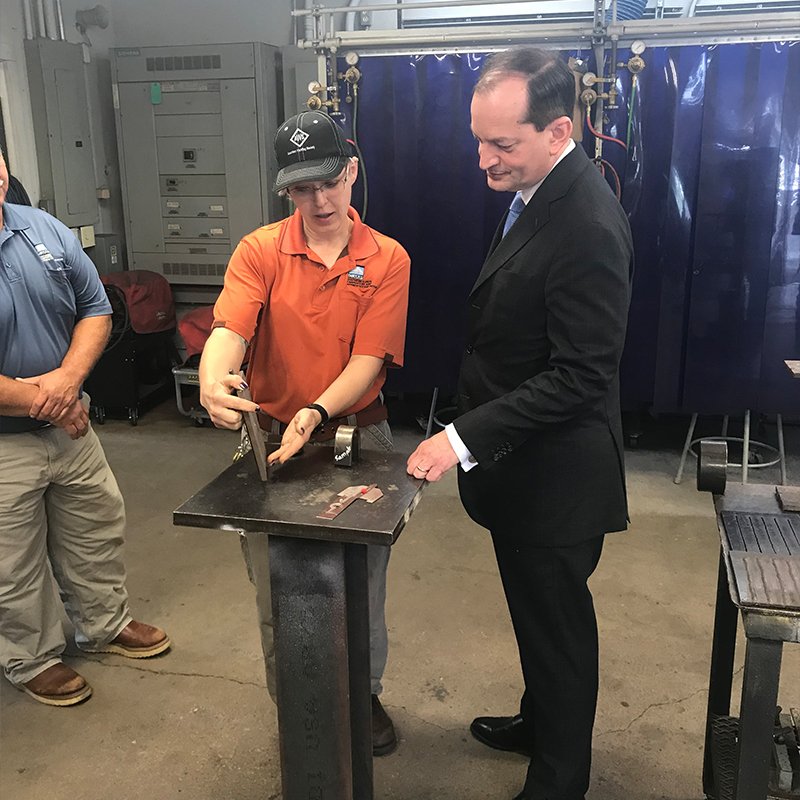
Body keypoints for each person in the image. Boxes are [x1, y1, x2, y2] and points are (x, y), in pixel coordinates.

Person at [407, 48, 633, 800]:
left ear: (559, 129)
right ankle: (540, 723)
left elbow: (580, 377)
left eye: (503, 144)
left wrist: (461, 437)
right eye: (478, 140)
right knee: (537, 619)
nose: (485, 159)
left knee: (559, 632)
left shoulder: (586, 223)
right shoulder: (541, 191)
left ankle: (560, 780)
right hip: (522, 470)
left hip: (557, 478)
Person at [199, 110, 410, 756]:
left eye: (327, 182)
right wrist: (213, 378)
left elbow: (367, 363)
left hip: (356, 436)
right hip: (272, 440)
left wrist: (315, 413)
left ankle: (363, 692)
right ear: (285, 189)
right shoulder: (260, 250)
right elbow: (229, 332)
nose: (317, 201)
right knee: (277, 582)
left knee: (359, 579)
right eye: (300, 188)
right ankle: (295, 701)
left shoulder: (386, 259)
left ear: (350, 172)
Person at [0, 147, 170, 707]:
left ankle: (104, 625)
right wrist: (49, 400)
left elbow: (94, 307)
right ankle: (31, 658)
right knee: (12, 561)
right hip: (8, 444)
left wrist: (68, 383)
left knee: (95, 529)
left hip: (69, 428)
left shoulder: (40, 228)